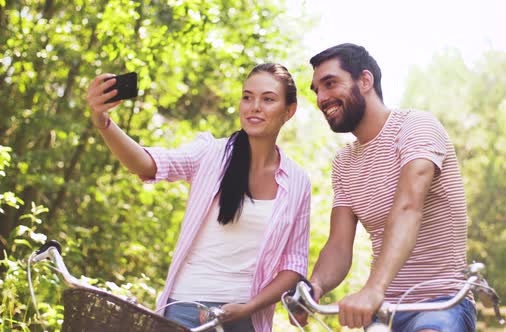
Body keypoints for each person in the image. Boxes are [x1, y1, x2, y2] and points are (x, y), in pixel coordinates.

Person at [86, 63, 311, 332]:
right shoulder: (211, 154)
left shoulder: (298, 182)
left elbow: (294, 265)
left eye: (268, 99)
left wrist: (250, 307)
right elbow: (147, 164)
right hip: (183, 309)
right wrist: (103, 123)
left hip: (245, 318)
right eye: (247, 97)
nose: (254, 107)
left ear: (289, 111)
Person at [298, 43, 475, 332]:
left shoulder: (415, 127)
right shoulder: (344, 162)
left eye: (330, 84)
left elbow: (408, 207)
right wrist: (315, 285)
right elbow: (339, 245)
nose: (321, 98)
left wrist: (372, 288)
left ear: (365, 81)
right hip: (383, 311)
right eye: (316, 90)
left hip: (439, 304)